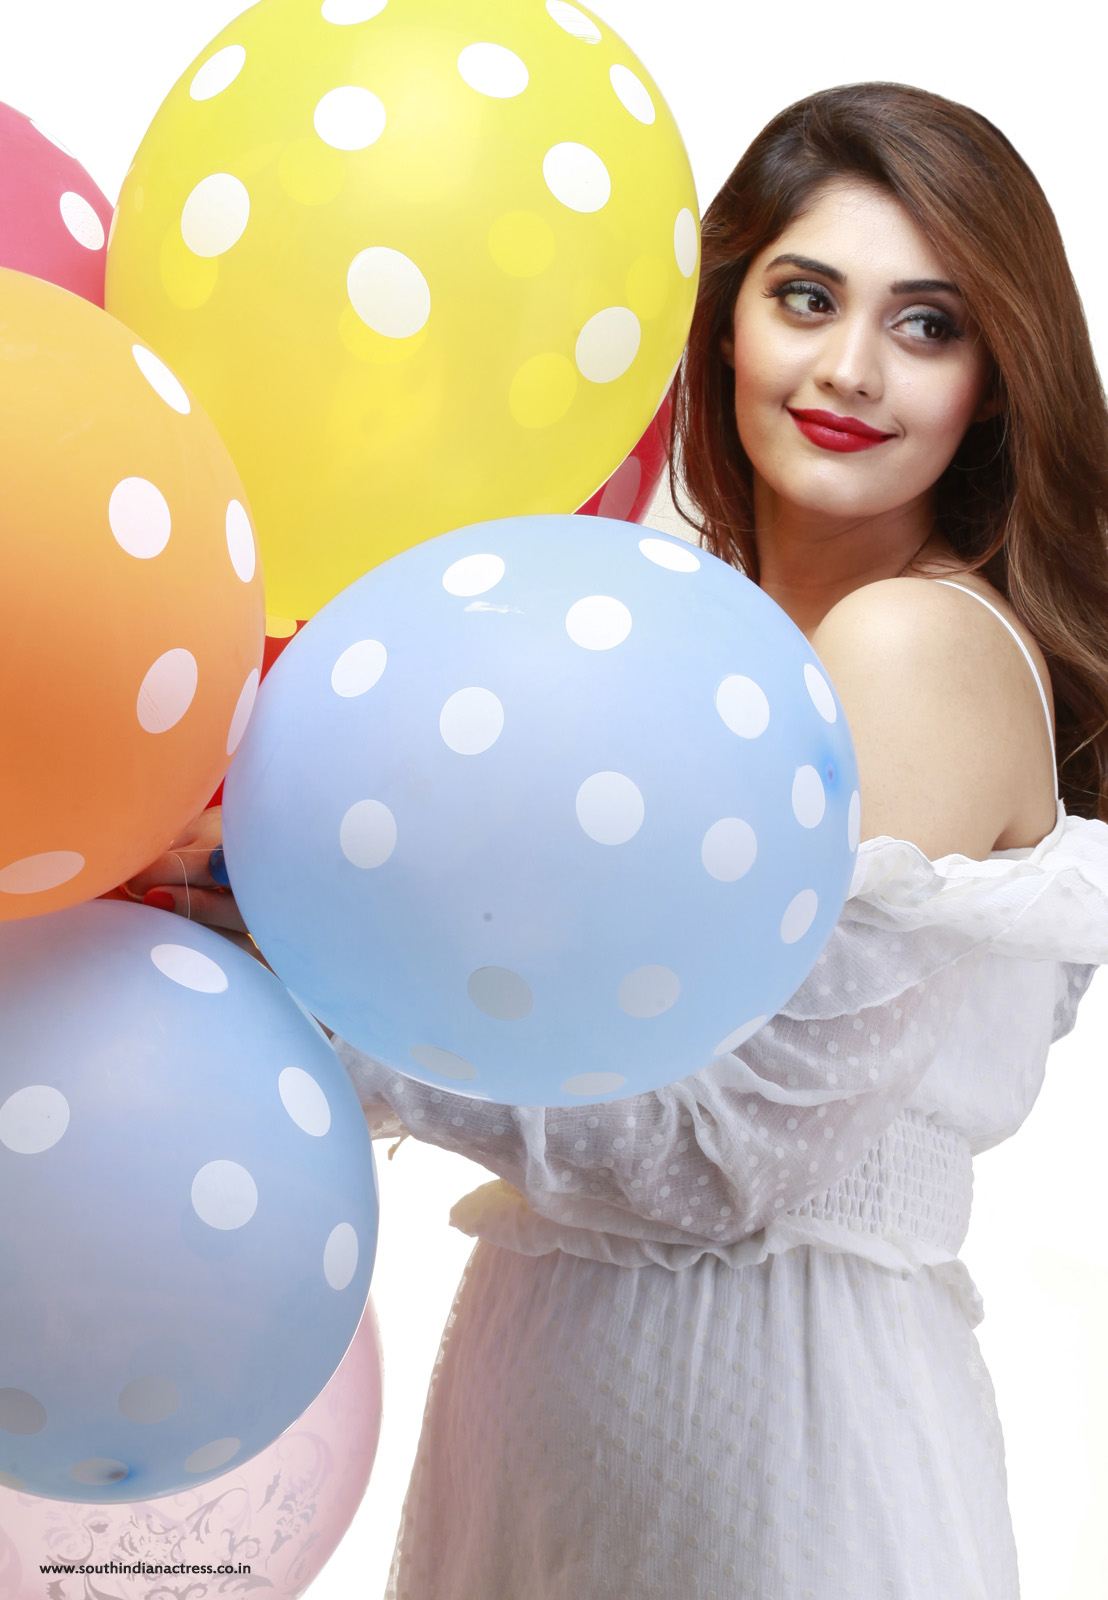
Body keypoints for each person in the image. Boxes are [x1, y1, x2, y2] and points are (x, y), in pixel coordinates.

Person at [130, 82, 1108, 1599]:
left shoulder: (912, 646)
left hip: (779, 1432)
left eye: (929, 325)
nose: (851, 368)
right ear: (723, 323)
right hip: (556, 1381)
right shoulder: (684, 635)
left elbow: (726, 1157)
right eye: (805, 298)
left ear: (993, 379)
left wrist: (316, 977)